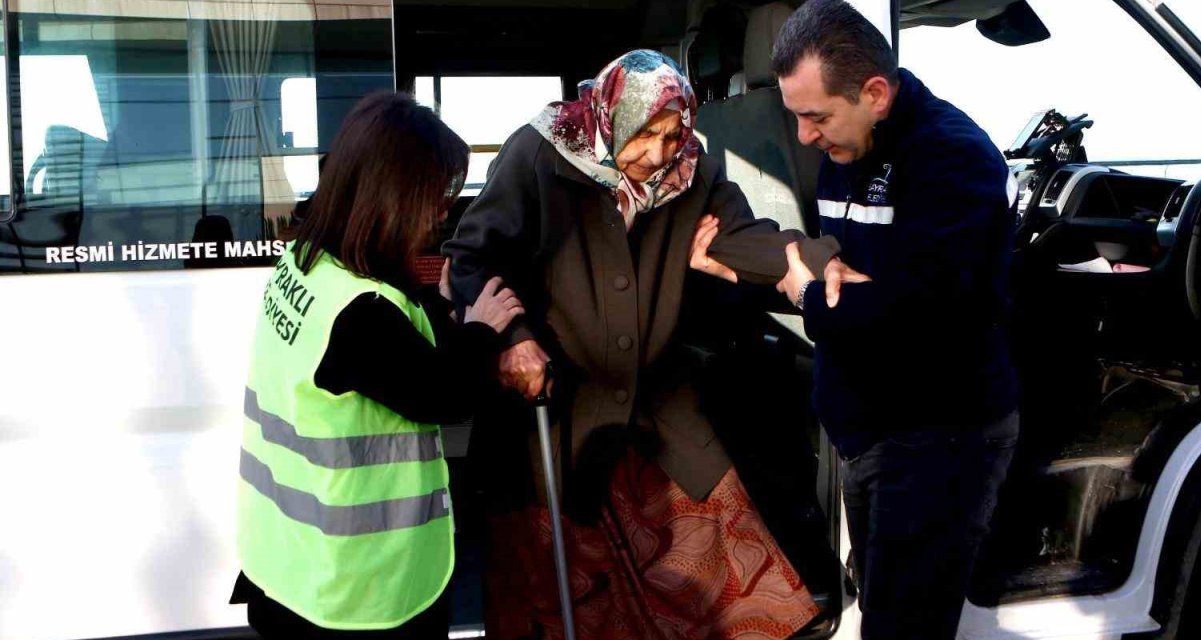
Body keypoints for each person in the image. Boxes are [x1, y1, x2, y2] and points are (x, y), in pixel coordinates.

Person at [443, 50, 844, 640]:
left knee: (726, 599)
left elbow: (736, 235)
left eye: (673, 131)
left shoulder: (693, 169)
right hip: (557, 420)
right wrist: (513, 339)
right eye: (645, 134)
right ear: (611, 117)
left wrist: (806, 262)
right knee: (572, 609)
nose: (658, 154)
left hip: (656, 412)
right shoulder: (538, 153)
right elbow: (474, 257)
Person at [770, 1, 1021, 638]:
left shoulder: (953, 159)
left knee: (901, 626)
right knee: (878, 605)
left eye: (815, 117)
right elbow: (851, 278)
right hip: (867, 433)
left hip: (939, 436)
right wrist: (819, 274)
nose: (805, 137)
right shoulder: (848, 142)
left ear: (875, 92)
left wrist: (808, 295)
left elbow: (918, 319)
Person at [231, 92, 523, 639]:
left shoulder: (305, 263)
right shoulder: (358, 315)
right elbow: (440, 394)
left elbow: (389, 357)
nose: (443, 212)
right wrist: (481, 329)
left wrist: (435, 309)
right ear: (392, 195)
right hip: (358, 595)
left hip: (289, 565)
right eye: (435, 197)